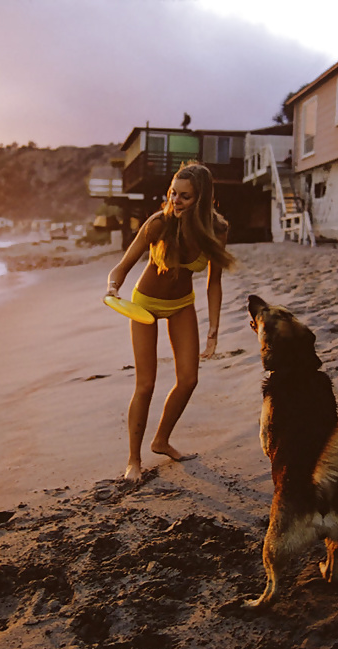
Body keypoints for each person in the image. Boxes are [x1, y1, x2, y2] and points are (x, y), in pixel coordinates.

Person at [105, 163, 234, 482]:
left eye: (185, 196)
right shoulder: (158, 223)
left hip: (181, 306)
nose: (175, 201)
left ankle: (161, 440)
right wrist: (112, 290)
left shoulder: (217, 229)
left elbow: (214, 281)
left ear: (201, 198)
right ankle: (134, 460)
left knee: (189, 379)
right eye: (173, 193)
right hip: (144, 305)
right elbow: (120, 268)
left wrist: (214, 329)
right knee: (146, 384)